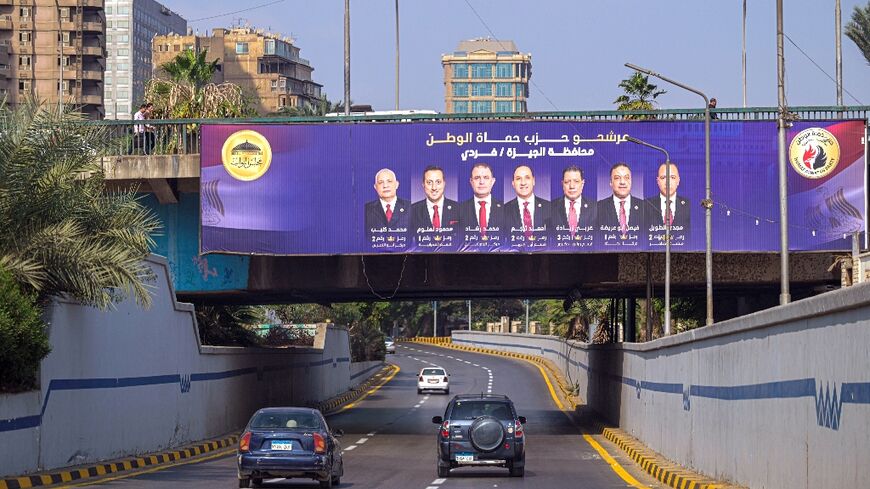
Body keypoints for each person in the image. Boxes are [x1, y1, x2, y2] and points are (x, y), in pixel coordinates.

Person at [596, 162, 645, 239]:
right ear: (611, 183)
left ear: (631, 181)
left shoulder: (645, 207)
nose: (622, 182)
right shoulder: (598, 208)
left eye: (626, 177)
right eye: (617, 178)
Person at [459, 163, 504, 239]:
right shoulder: (459, 209)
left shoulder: (505, 209)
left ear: (492, 181)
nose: (481, 182)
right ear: (471, 181)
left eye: (486, 177)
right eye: (477, 178)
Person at [504, 165, 550, 237]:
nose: (523, 183)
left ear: (533, 181)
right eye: (518, 179)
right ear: (513, 184)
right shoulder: (504, 210)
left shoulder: (549, 207)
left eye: (527, 178)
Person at [410, 165, 459, 232]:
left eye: (438, 182)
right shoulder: (412, 211)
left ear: (444, 184)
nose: (434, 188)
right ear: (423, 185)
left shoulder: (458, 209)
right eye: (429, 182)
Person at [645, 162, 690, 231]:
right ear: (658, 181)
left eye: (672, 177)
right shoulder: (646, 205)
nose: (668, 182)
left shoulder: (689, 205)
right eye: (663, 178)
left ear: (678, 181)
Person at [551, 165, 596, 235]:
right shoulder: (550, 207)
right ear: (562, 184)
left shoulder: (595, 208)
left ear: (582, 183)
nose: (572, 186)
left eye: (576, 181)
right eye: (567, 182)